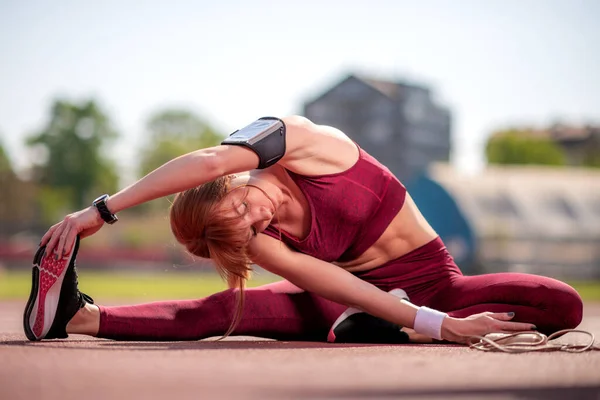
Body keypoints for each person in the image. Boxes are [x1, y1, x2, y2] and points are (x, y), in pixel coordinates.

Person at [24, 116, 583, 344]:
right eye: (240, 236)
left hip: (433, 282)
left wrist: (100, 210)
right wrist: (439, 330)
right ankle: (75, 317)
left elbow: (210, 158)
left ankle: (385, 329)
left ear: (230, 180)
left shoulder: (305, 142)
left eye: (241, 211)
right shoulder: (259, 240)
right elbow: (336, 283)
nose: (256, 224)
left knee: (561, 306)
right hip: (346, 301)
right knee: (224, 309)